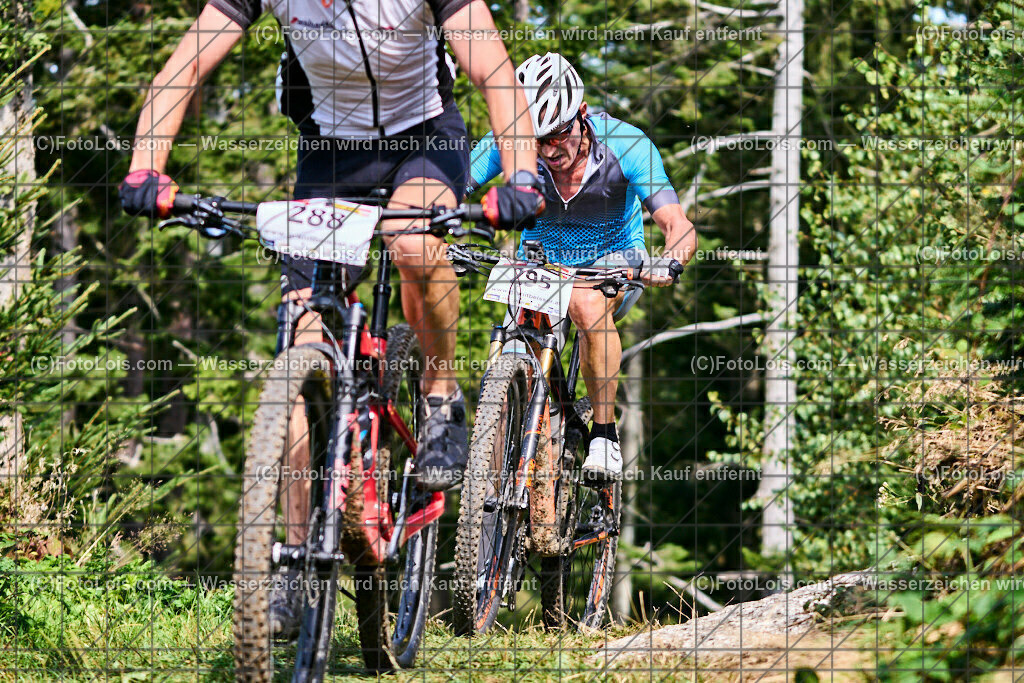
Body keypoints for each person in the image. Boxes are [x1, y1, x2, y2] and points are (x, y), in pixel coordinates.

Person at [119, 0, 543, 638]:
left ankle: (438, 394)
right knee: (302, 340)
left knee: (410, 240)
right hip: (330, 158)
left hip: (425, 143)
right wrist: (145, 165)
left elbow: (494, 71)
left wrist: (523, 175)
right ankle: (290, 564)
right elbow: (184, 67)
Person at [468, 52, 697, 482]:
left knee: (587, 305)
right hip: (543, 262)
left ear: (582, 115)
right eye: (538, 140)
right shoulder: (514, 144)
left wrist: (671, 259)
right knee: (515, 345)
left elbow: (677, 223)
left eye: (558, 135)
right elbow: (450, 183)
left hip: (612, 261)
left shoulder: (627, 144)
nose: (550, 151)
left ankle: (604, 435)